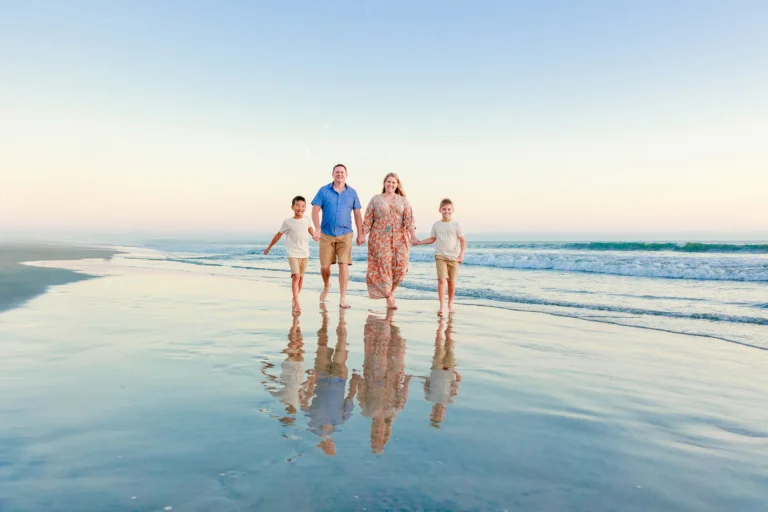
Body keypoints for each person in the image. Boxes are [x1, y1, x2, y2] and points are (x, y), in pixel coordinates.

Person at [303, 305, 359, 456]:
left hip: (320, 377)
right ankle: (342, 321)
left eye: (327, 445)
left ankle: (325, 319)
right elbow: (350, 397)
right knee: (341, 344)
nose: (330, 443)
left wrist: (310, 381)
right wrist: (355, 380)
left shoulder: (312, 423)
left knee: (322, 344)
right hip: (339, 378)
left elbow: (304, 402)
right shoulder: (341, 420)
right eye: (330, 444)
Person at [358, 173, 419, 309]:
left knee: (401, 268)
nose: (390, 184)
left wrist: (413, 235)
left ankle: (390, 291)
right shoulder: (376, 199)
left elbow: (409, 220)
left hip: (400, 239)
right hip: (380, 239)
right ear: (384, 183)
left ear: (397, 185)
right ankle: (388, 296)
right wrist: (362, 235)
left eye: (393, 182)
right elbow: (368, 220)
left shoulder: (403, 201)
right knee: (384, 268)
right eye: (388, 182)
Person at [356, 311, 411, 454]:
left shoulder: (366, 410)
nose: (377, 432)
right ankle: (389, 316)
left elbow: (361, 390)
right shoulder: (393, 411)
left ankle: (386, 315)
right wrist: (407, 380)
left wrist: (356, 377)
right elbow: (403, 395)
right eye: (378, 436)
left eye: (374, 436)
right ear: (385, 433)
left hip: (375, 371)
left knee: (380, 342)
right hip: (394, 371)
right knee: (396, 342)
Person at [311, 164, 363, 308]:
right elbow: (315, 211)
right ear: (332, 174)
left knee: (343, 265)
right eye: (337, 172)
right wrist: (317, 229)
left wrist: (361, 233)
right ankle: (327, 285)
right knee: (325, 267)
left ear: (346, 174)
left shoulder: (352, 193)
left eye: (342, 172)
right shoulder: (323, 190)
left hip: (345, 234)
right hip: (326, 234)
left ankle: (342, 299)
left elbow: (357, 214)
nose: (339, 174)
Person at [263, 195, 315, 314]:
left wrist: (315, 236)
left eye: (303, 206)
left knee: (301, 279)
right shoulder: (287, 222)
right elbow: (278, 235)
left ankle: (294, 298)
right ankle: (297, 302)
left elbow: (310, 229)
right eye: (297, 206)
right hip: (292, 253)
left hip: (304, 253)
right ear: (292, 207)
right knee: (296, 276)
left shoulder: (307, 219)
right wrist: (269, 247)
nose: (300, 208)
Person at [417, 198, 466, 316]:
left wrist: (461, 254)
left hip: (453, 257)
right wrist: (420, 242)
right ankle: (441, 305)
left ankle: (450, 303)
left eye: (449, 209)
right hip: (440, 256)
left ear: (452, 210)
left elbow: (463, 240)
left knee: (452, 281)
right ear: (440, 210)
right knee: (441, 280)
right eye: (444, 209)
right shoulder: (436, 225)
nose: (446, 211)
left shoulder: (456, 224)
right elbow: (432, 239)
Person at [424, 317, 461, 428]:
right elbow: (458, 381)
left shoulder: (428, 397)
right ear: (443, 414)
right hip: (448, 369)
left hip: (436, 369)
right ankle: (449, 324)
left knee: (439, 346)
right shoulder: (450, 400)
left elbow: (427, 383)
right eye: (438, 416)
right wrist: (452, 370)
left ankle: (441, 325)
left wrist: (434, 374)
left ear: (432, 412)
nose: (438, 413)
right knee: (449, 344)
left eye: (435, 415)